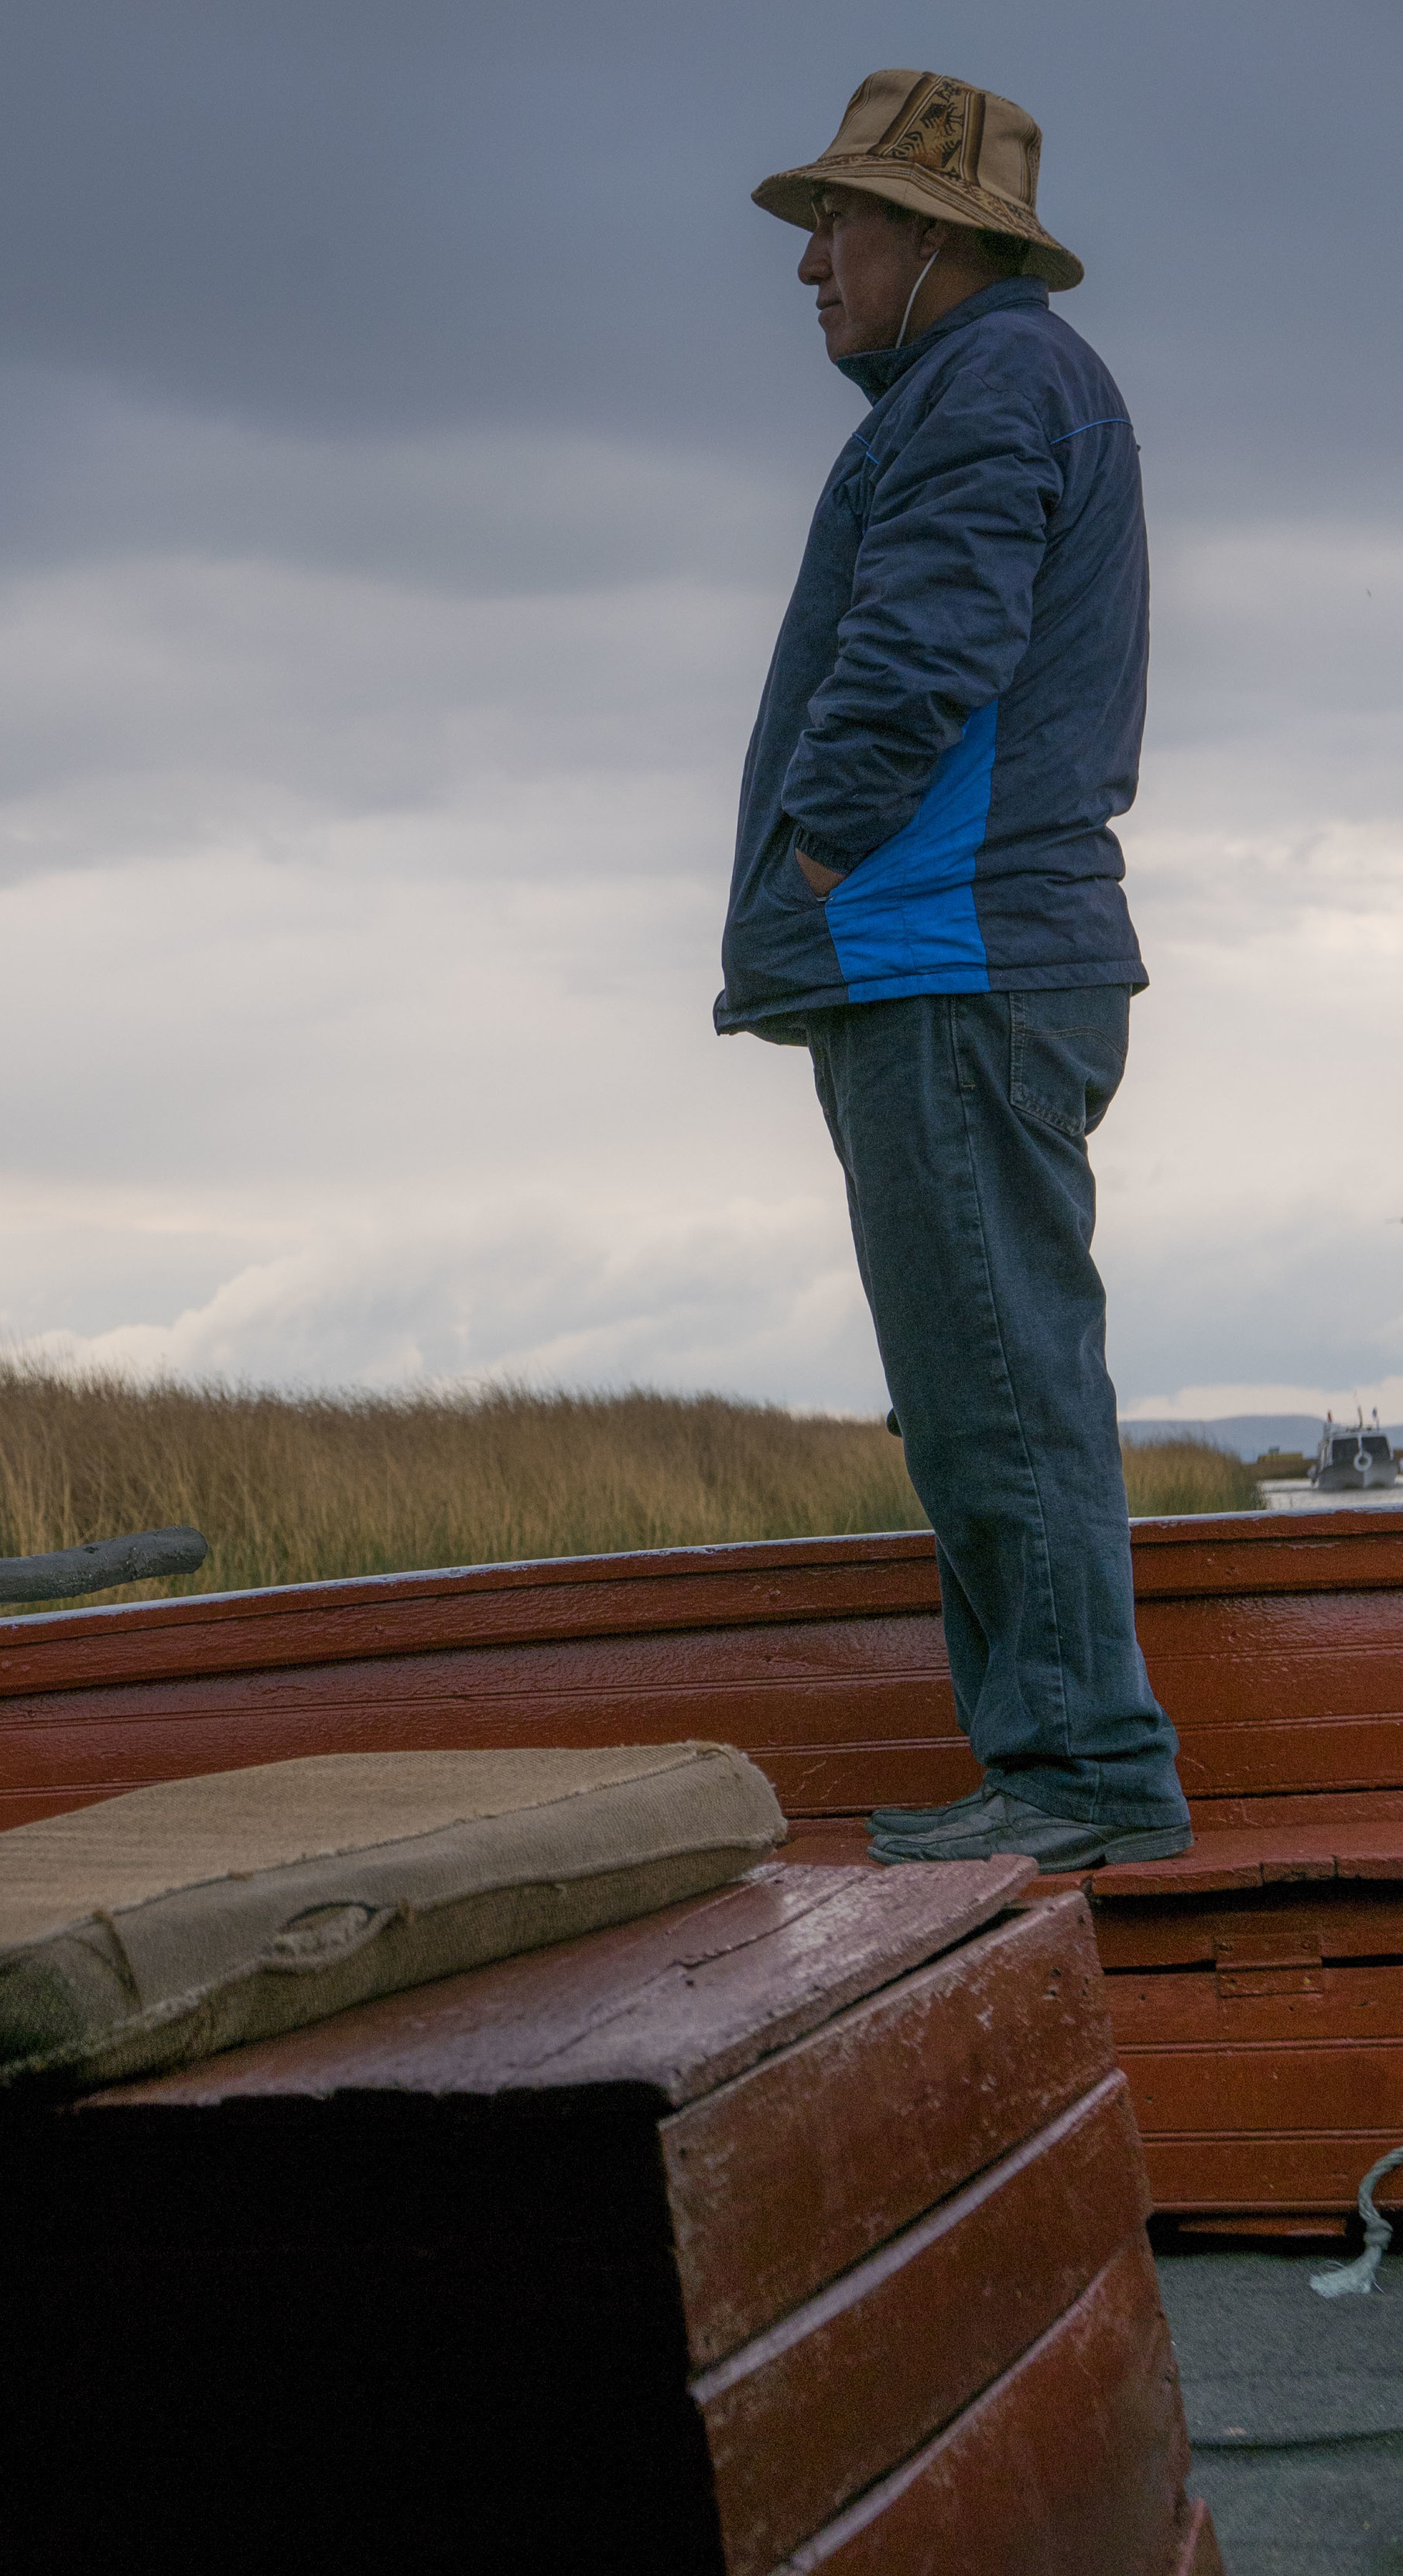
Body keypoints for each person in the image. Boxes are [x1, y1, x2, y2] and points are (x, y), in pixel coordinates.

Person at [717, 69, 1193, 1870]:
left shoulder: (990, 382)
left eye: (832, 224)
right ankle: (1052, 1767)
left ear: (931, 234)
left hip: (949, 956)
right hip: (960, 957)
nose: (806, 264)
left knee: (992, 1378)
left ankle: (1077, 1780)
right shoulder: (988, 385)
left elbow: (929, 640)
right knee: (983, 1375)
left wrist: (820, 845)